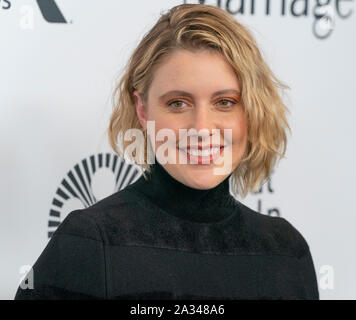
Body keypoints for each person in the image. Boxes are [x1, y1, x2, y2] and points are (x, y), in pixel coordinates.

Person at [14, 3, 319, 300]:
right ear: (142, 109)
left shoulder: (286, 251)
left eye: (225, 102)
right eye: (178, 103)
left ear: (251, 112)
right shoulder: (89, 242)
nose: (201, 128)